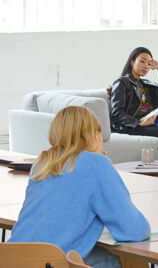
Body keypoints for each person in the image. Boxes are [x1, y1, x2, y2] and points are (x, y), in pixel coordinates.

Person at [9, 106, 150, 268]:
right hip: (52, 263)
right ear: (94, 135)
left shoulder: (42, 163)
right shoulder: (96, 164)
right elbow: (134, 230)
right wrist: (101, 159)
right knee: (124, 260)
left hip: (12, 259)